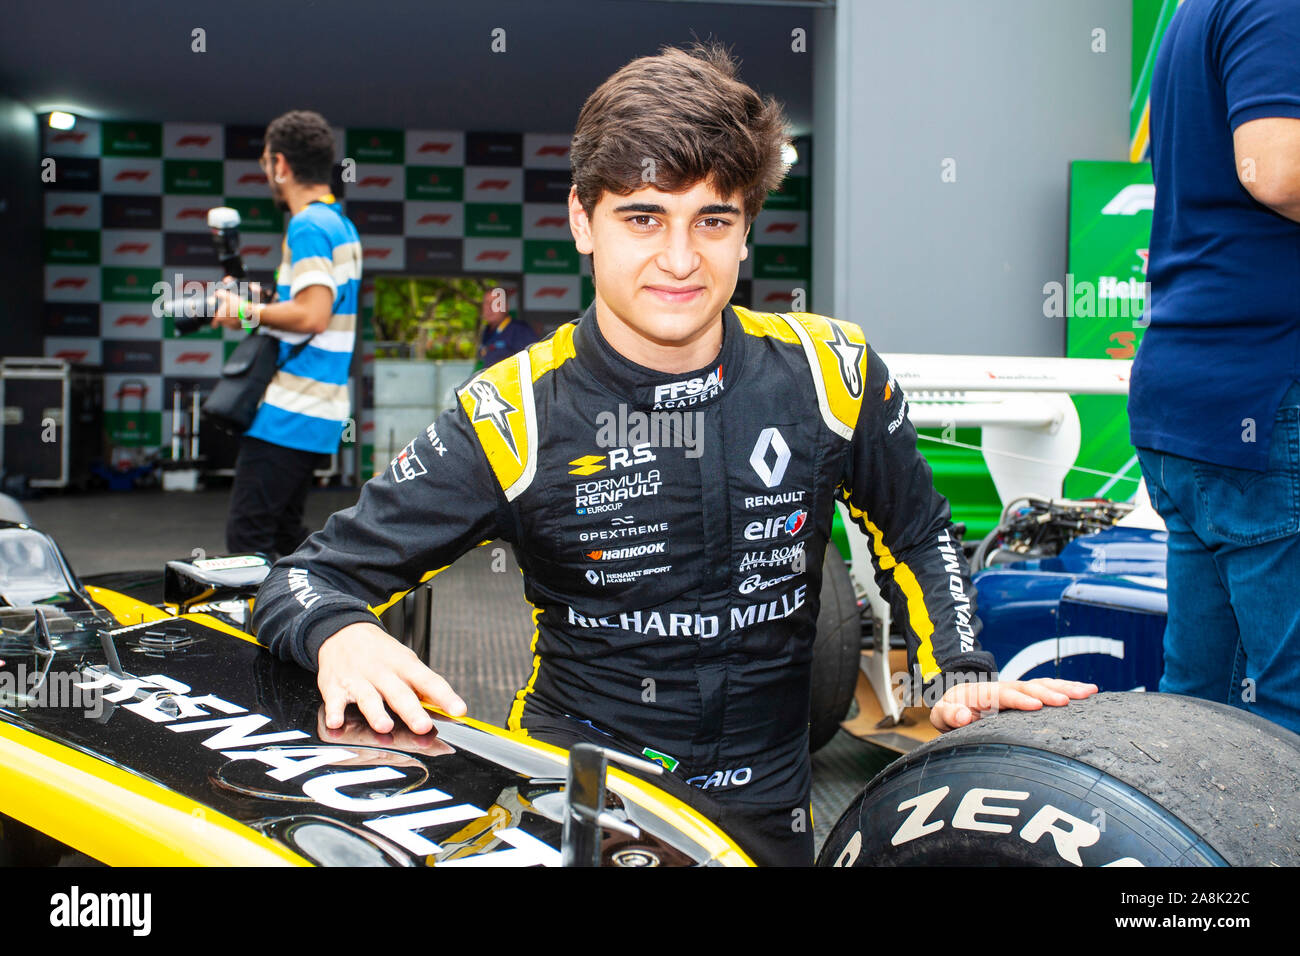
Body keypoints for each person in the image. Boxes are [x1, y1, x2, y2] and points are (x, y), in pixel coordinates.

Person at [252, 46, 1094, 865]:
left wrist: (957, 670)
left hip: (770, 807)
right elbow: (302, 579)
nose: (681, 260)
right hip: (579, 801)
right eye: (644, 217)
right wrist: (338, 635)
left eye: (713, 220)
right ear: (583, 221)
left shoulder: (832, 373)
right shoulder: (513, 411)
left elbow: (917, 529)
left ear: (746, 229)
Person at [1128, 0, 1300, 735]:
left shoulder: (1201, 11)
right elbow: (1277, 172)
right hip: (1264, 397)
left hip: (1201, 397)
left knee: (1201, 718)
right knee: (1281, 716)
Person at [212, 110, 362, 561]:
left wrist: (245, 311)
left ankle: (288, 629)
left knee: (248, 540)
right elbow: (315, 304)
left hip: (291, 409)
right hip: (318, 408)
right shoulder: (338, 223)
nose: (267, 175)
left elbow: (314, 315)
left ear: (280, 164)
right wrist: (260, 301)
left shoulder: (307, 225)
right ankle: (320, 617)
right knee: (282, 537)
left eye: (265, 165)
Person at [476, 290, 538, 369]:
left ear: (506, 306)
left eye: (496, 303)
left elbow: (534, 363)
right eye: (486, 303)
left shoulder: (520, 330)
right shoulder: (487, 331)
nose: (490, 308)